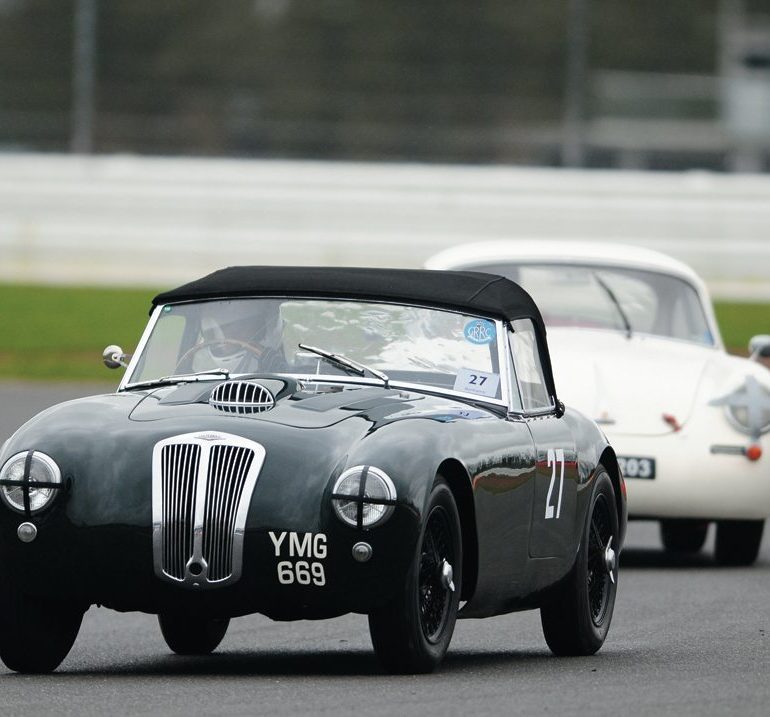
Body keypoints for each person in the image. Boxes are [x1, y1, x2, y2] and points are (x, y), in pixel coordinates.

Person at [190, 299, 287, 374]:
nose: (225, 344)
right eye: (212, 334)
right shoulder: (199, 375)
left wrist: (283, 371)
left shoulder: (295, 369)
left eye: (237, 330)